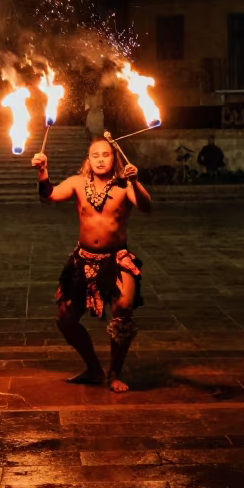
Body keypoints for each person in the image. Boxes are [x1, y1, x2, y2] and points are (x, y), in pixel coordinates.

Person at [31, 137, 152, 393]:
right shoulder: (77, 183)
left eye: (105, 155)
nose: (100, 159)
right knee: (65, 319)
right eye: (95, 155)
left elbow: (146, 207)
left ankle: (115, 373)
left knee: (123, 309)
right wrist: (43, 171)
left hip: (116, 259)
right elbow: (48, 196)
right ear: (88, 159)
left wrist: (135, 182)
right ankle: (94, 369)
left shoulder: (123, 186)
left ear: (114, 158)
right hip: (83, 259)